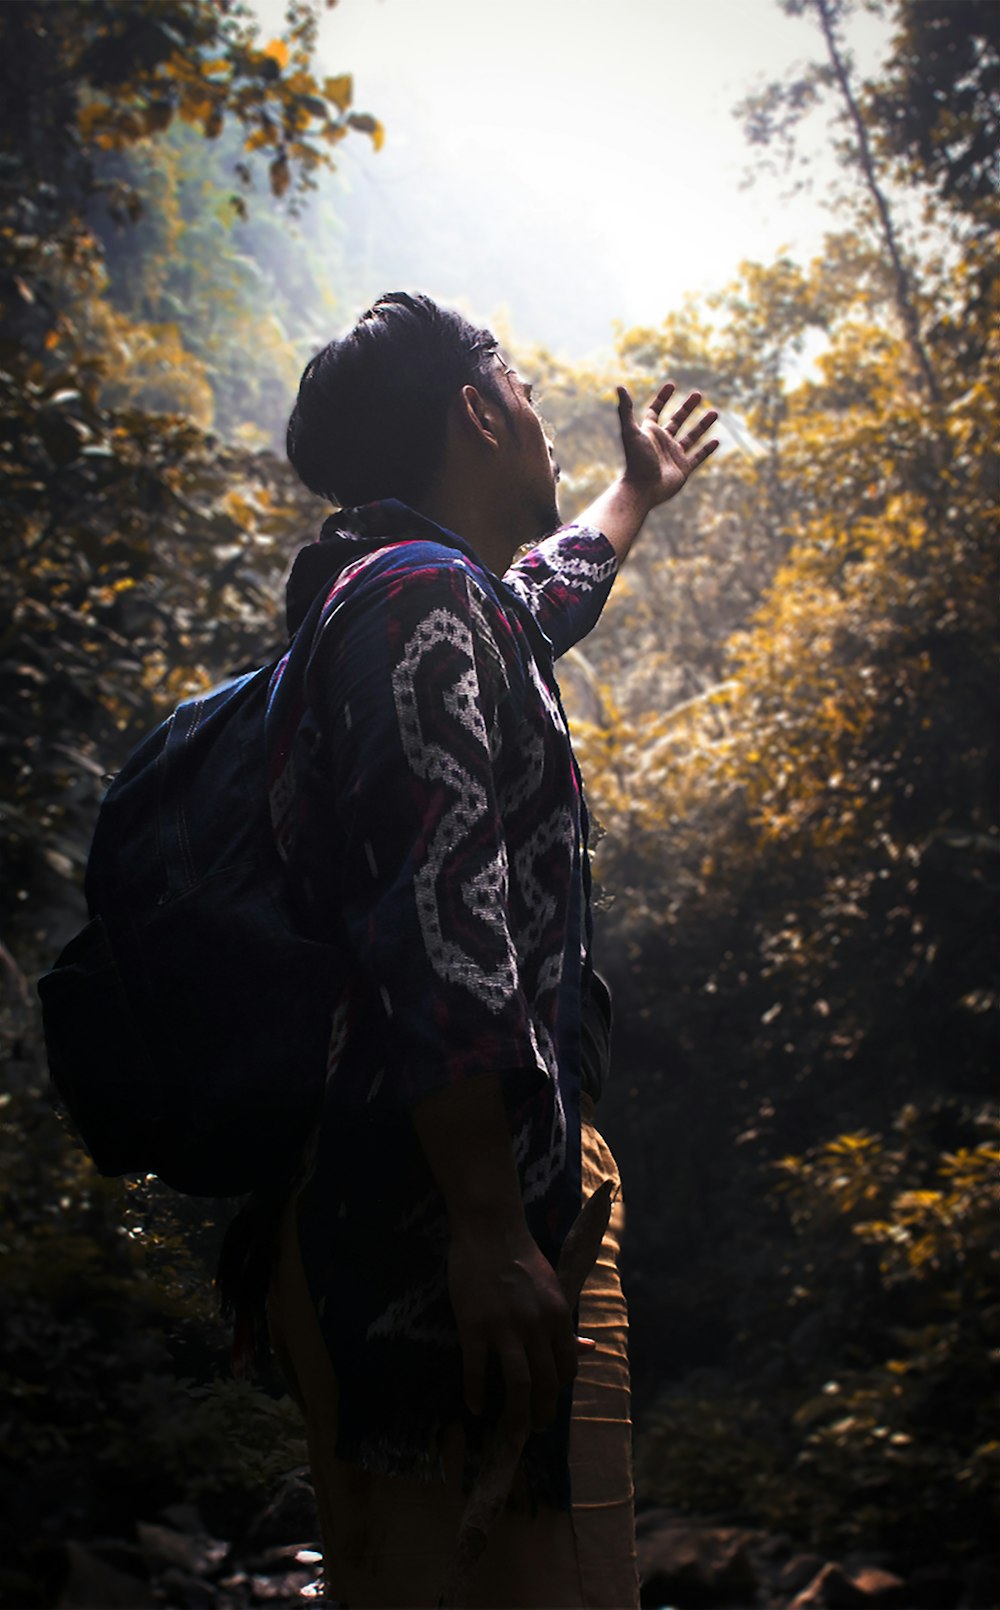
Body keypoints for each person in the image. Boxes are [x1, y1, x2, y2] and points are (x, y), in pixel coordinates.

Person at [261, 290, 717, 1608]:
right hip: (440, 1229)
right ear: (475, 406)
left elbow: (539, 598)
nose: (533, 404)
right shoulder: (415, 606)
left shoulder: (425, 599)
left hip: (424, 1211)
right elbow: (437, 899)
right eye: (514, 380)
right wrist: (489, 1227)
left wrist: (635, 497)